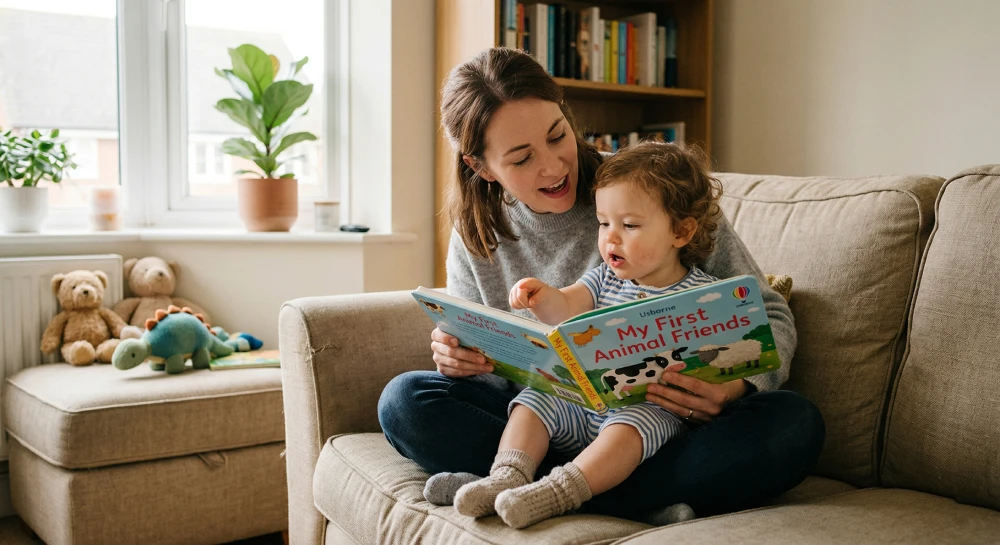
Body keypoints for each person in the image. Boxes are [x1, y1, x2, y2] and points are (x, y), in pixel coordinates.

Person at [377, 47, 825, 525]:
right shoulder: (478, 234)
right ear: (483, 167)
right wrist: (461, 360)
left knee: (794, 425)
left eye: (557, 136)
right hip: (550, 414)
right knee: (405, 402)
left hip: (654, 421)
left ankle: (532, 488)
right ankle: (604, 495)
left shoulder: (650, 191)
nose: (553, 167)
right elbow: (496, 372)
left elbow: (767, 314)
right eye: (523, 158)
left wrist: (736, 386)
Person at [450, 141, 724, 529]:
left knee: (635, 425)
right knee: (534, 398)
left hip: (643, 412)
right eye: (603, 223)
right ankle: (507, 477)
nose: (611, 238)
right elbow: (564, 306)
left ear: (681, 232)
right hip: (581, 402)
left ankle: (559, 493)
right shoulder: (604, 277)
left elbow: (719, 356)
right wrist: (540, 297)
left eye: (629, 226)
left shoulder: (702, 297)